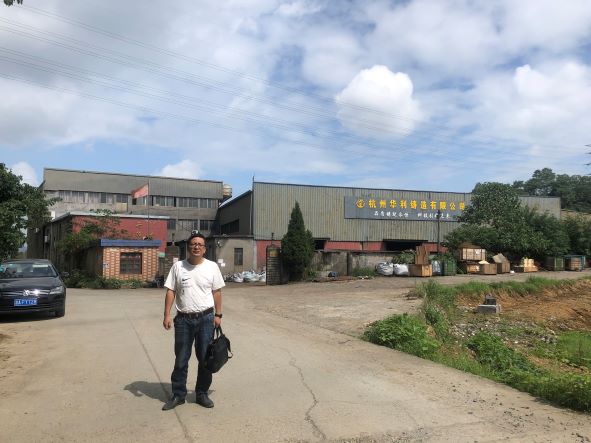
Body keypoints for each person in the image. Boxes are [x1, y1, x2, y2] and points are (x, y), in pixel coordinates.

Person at [162, 232, 225, 411]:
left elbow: (217, 292)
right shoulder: (178, 267)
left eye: (200, 244)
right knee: (181, 359)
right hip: (183, 320)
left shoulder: (212, 267)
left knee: (205, 358)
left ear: (204, 249)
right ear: (188, 247)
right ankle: (178, 394)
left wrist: (218, 315)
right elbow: (171, 291)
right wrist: (166, 314)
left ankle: (201, 393)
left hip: (206, 319)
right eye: (193, 244)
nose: (196, 246)